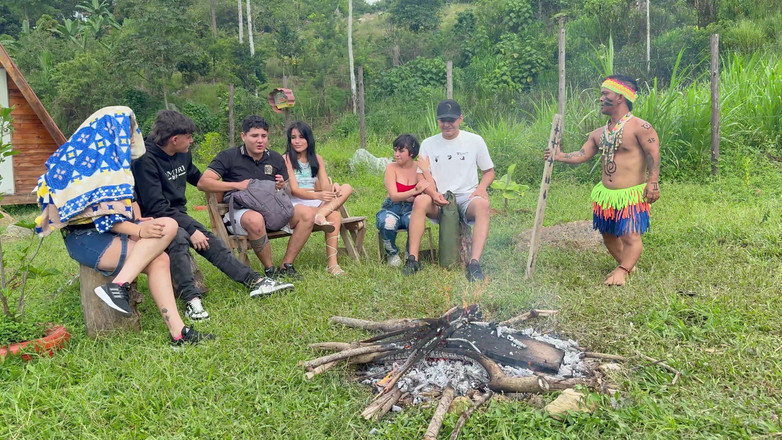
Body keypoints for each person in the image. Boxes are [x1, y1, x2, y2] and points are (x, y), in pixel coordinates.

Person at [35, 106, 213, 346]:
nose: (132, 137)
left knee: (165, 242)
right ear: (110, 131)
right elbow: (102, 218)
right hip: (88, 238)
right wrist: (139, 230)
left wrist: (139, 222)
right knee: (165, 238)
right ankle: (121, 288)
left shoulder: (108, 159)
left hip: (112, 230)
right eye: (127, 132)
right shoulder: (94, 165)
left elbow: (126, 203)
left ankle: (177, 332)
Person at [131, 111, 293, 321]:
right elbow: (157, 207)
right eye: (189, 136)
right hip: (151, 219)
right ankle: (192, 300)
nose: (192, 140)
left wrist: (230, 184)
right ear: (174, 139)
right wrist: (192, 229)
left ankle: (255, 282)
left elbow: (196, 177)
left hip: (175, 213)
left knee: (208, 241)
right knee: (180, 239)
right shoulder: (145, 160)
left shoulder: (182, 153)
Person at [544, 74, 661, 286]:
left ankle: (622, 271)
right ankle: (628, 265)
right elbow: (582, 154)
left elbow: (653, 153)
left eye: (605, 94)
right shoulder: (599, 134)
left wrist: (653, 182)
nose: (601, 98)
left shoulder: (641, 127)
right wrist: (560, 156)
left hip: (630, 195)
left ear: (620, 97)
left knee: (630, 236)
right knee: (608, 236)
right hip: (606, 196)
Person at [197, 115, 315, 280]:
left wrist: (283, 186)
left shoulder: (274, 158)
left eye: (264, 136)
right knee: (255, 218)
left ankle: (286, 265)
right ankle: (270, 270)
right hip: (241, 212)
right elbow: (203, 183)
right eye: (254, 136)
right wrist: (237, 185)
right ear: (243, 136)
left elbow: (287, 190)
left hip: (273, 210)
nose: (260, 140)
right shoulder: (228, 156)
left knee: (307, 214)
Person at [405, 99, 495, 281]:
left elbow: (489, 172)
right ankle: (413, 260)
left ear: (460, 119)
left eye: (451, 120)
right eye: (442, 120)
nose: (447, 124)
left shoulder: (474, 141)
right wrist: (433, 194)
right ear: (438, 121)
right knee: (420, 201)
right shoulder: (429, 143)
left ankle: (474, 263)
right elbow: (421, 175)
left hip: (466, 197)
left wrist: (481, 188)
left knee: (483, 206)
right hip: (438, 197)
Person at [282, 121, 354, 275]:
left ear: (309, 139)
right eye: (293, 137)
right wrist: (318, 194)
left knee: (346, 188)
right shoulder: (287, 159)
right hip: (297, 205)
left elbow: (325, 188)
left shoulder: (317, 159)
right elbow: (294, 190)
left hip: (317, 203)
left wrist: (333, 185)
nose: (297, 141)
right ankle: (321, 214)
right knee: (334, 215)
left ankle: (332, 264)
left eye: (301, 137)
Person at [376, 134, 430, 267]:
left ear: (411, 153)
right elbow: (394, 195)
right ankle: (392, 253)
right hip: (392, 207)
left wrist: (426, 171)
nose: (396, 154)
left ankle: (410, 252)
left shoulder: (418, 168)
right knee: (387, 222)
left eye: (401, 151)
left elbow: (428, 186)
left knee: (414, 221)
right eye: (395, 150)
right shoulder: (391, 168)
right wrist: (414, 191)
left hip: (412, 208)